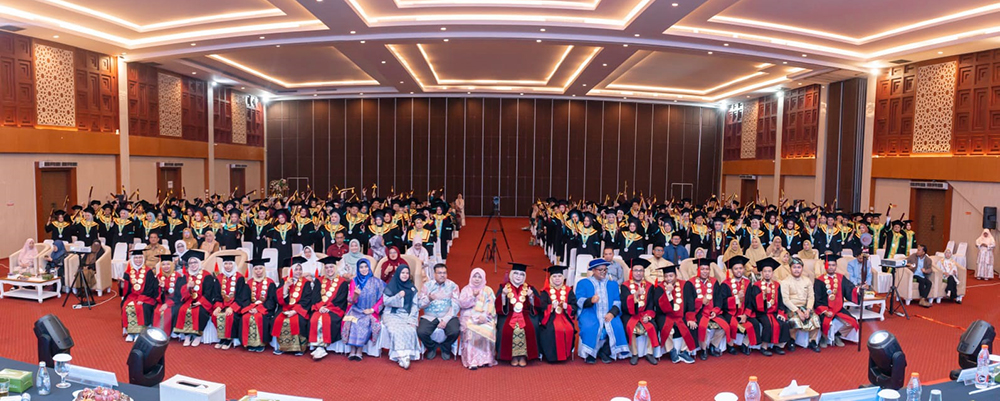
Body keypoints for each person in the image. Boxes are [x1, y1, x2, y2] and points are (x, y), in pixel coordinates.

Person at [575, 259, 628, 364]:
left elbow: (617, 301)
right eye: (600, 270)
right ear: (593, 270)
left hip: (609, 313)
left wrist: (612, 313)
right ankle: (590, 354)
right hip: (590, 312)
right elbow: (579, 300)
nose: (603, 272)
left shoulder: (613, 284)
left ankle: (605, 351)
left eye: (605, 269)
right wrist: (590, 300)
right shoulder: (583, 283)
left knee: (617, 326)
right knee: (589, 326)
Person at [496, 262, 541, 367]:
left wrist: (531, 297)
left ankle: (523, 356)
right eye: (516, 273)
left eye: (521, 274)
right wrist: (503, 295)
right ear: (511, 274)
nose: (518, 276)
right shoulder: (504, 287)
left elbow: (538, 306)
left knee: (529, 328)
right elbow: (497, 306)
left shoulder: (529, 288)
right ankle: (512, 356)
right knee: (507, 329)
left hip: (525, 314)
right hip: (508, 314)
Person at [684, 258, 730, 360]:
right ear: (698, 270)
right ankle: (703, 349)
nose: (705, 271)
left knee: (725, 326)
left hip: (712, 311)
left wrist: (715, 311)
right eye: (702, 269)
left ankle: (713, 346)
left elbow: (719, 299)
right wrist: (700, 301)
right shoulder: (690, 283)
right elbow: (689, 302)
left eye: (707, 269)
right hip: (698, 312)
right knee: (702, 326)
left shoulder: (714, 282)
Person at [650, 265, 696, 364]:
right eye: (666, 276)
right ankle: (671, 350)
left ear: (676, 275)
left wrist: (690, 318)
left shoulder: (685, 285)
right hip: (665, 315)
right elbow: (660, 307)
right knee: (667, 328)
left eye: (671, 276)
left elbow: (690, 302)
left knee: (690, 325)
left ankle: (685, 351)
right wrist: (668, 293)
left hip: (681, 315)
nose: (668, 279)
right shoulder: (660, 288)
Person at [342, 259, 385, 361]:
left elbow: (382, 298)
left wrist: (372, 309)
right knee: (352, 321)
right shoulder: (354, 281)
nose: (364, 269)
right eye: (361, 267)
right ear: (358, 269)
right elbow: (351, 300)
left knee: (363, 322)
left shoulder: (377, 282)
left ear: (369, 268)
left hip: (369, 311)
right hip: (356, 309)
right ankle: (353, 349)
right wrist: (355, 295)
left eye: (366, 267)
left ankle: (359, 350)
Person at [745, 257, 789, 356]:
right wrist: (763, 294)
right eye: (765, 271)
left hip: (774, 312)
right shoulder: (756, 285)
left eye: (769, 271)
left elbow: (780, 301)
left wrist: (781, 312)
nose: (767, 273)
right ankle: (764, 347)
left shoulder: (777, 285)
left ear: (773, 273)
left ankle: (778, 346)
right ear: (761, 273)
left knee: (783, 323)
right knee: (768, 324)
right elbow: (754, 302)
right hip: (761, 312)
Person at [814, 255, 860, 348]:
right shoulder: (819, 280)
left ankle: (837, 334)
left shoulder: (841, 278)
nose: (831, 267)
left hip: (839, 308)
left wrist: (859, 289)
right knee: (826, 323)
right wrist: (825, 311)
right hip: (825, 309)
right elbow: (817, 299)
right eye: (829, 265)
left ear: (836, 266)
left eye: (833, 265)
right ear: (825, 265)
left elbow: (850, 289)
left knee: (852, 322)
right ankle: (824, 337)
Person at [417, 263, 461, 360]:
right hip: (430, 316)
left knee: (455, 331)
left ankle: (445, 348)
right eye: (440, 273)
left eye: (444, 273)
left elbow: (456, 305)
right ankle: (431, 347)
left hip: (448, 315)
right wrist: (428, 299)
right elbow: (419, 304)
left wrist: (445, 319)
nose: (442, 275)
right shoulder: (427, 286)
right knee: (421, 332)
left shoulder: (453, 286)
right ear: (434, 274)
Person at [620, 259, 658, 365]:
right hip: (630, 314)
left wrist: (648, 316)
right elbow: (624, 304)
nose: (638, 273)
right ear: (632, 272)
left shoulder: (649, 286)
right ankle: (634, 354)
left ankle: (649, 353)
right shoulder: (625, 286)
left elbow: (651, 304)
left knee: (652, 326)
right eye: (636, 270)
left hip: (644, 313)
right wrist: (636, 294)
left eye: (641, 271)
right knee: (630, 326)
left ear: (644, 272)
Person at [382, 264, 421, 369]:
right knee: (395, 331)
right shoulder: (391, 286)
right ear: (398, 273)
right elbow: (386, 301)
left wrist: (412, 320)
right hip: (391, 314)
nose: (405, 275)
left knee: (410, 330)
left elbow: (415, 306)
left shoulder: (412, 289)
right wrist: (398, 296)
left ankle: (406, 355)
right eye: (402, 273)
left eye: (407, 273)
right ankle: (401, 356)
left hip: (406, 315)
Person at [175, 250, 216, 347]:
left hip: (203, 301)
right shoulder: (186, 276)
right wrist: (187, 286)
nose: (193, 265)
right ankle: (187, 335)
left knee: (200, 311)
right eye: (190, 263)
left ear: (199, 263)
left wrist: (201, 302)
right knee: (182, 309)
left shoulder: (206, 275)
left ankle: (198, 335)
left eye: (195, 262)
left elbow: (209, 292)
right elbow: (179, 292)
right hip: (188, 300)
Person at [718, 256, 758, 355]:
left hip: (744, 311)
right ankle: (730, 345)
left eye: (740, 268)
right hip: (729, 312)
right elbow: (722, 303)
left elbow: (751, 301)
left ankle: (745, 344)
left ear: (744, 269)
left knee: (755, 323)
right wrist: (736, 297)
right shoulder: (725, 284)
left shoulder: (748, 283)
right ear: (731, 270)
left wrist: (746, 315)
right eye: (736, 269)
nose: (739, 270)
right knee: (732, 323)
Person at [458, 268, 497, 370]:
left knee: (487, 328)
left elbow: (492, 305)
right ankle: (472, 361)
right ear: (471, 277)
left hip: (485, 317)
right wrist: (473, 297)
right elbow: (462, 304)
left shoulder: (488, 290)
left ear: (483, 278)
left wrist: (484, 316)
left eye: (479, 277)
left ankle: (486, 359)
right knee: (471, 329)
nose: (477, 279)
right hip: (469, 317)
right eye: (475, 276)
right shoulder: (466, 289)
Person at [272, 261, 313, 355]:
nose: (298, 272)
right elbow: (278, 299)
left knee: (298, 321)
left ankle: (299, 348)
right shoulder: (284, 280)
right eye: (296, 269)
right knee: (278, 320)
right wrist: (286, 287)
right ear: (291, 270)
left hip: (300, 309)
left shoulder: (306, 283)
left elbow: (307, 300)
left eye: (300, 269)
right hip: (285, 308)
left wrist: (295, 311)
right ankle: (282, 347)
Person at [780, 257, 821, 353]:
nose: (797, 270)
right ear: (790, 268)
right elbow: (786, 300)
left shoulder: (807, 280)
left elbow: (811, 297)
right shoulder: (785, 282)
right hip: (792, 308)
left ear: (802, 268)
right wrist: (798, 311)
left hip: (805, 307)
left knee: (815, 318)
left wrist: (808, 309)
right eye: (794, 267)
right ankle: (792, 340)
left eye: (799, 267)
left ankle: (812, 341)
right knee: (794, 320)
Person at [538, 265, 577, 363]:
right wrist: (551, 307)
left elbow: (574, 306)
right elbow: (541, 307)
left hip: (565, 316)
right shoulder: (545, 291)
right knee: (551, 330)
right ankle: (551, 357)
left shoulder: (568, 290)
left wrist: (567, 307)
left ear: (563, 278)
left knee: (568, 329)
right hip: (550, 318)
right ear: (550, 278)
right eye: (554, 276)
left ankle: (564, 354)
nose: (557, 279)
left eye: (559, 276)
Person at [240, 258, 276, 353]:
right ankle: (249, 343)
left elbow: (271, 300)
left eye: (260, 268)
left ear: (264, 269)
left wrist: (259, 309)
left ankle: (261, 343)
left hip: (265, 309)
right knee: (246, 317)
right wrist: (250, 308)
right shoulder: (248, 283)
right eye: (256, 269)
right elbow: (245, 299)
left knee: (259, 317)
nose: (258, 271)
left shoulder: (270, 283)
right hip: (250, 308)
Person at [122, 249, 159, 342]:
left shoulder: (148, 271)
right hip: (131, 296)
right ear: (132, 259)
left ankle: (139, 332)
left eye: (140, 258)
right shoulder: (128, 272)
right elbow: (125, 290)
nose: (138, 260)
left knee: (141, 307)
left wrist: (142, 298)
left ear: (143, 259)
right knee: (126, 306)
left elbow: (151, 288)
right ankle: (130, 332)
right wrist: (121, 284)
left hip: (146, 297)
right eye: (136, 258)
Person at [211, 255, 245, 350]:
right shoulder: (219, 278)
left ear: (234, 265)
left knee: (230, 316)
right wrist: (218, 306)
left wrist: (232, 307)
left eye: (230, 264)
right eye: (226, 263)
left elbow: (241, 296)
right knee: (215, 315)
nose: (228, 266)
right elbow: (216, 295)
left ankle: (229, 339)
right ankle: (222, 338)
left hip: (235, 305)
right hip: (222, 305)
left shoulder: (240, 278)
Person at [153, 258, 182, 334]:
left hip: (175, 302)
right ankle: (157, 333)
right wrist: (162, 288)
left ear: (172, 265)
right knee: (157, 311)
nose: (166, 266)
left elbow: (180, 294)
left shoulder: (178, 276)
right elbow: (155, 293)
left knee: (168, 311)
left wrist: (168, 304)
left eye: (168, 264)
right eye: (163, 264)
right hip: (161, 301)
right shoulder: (158, 277)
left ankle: (168, 333)